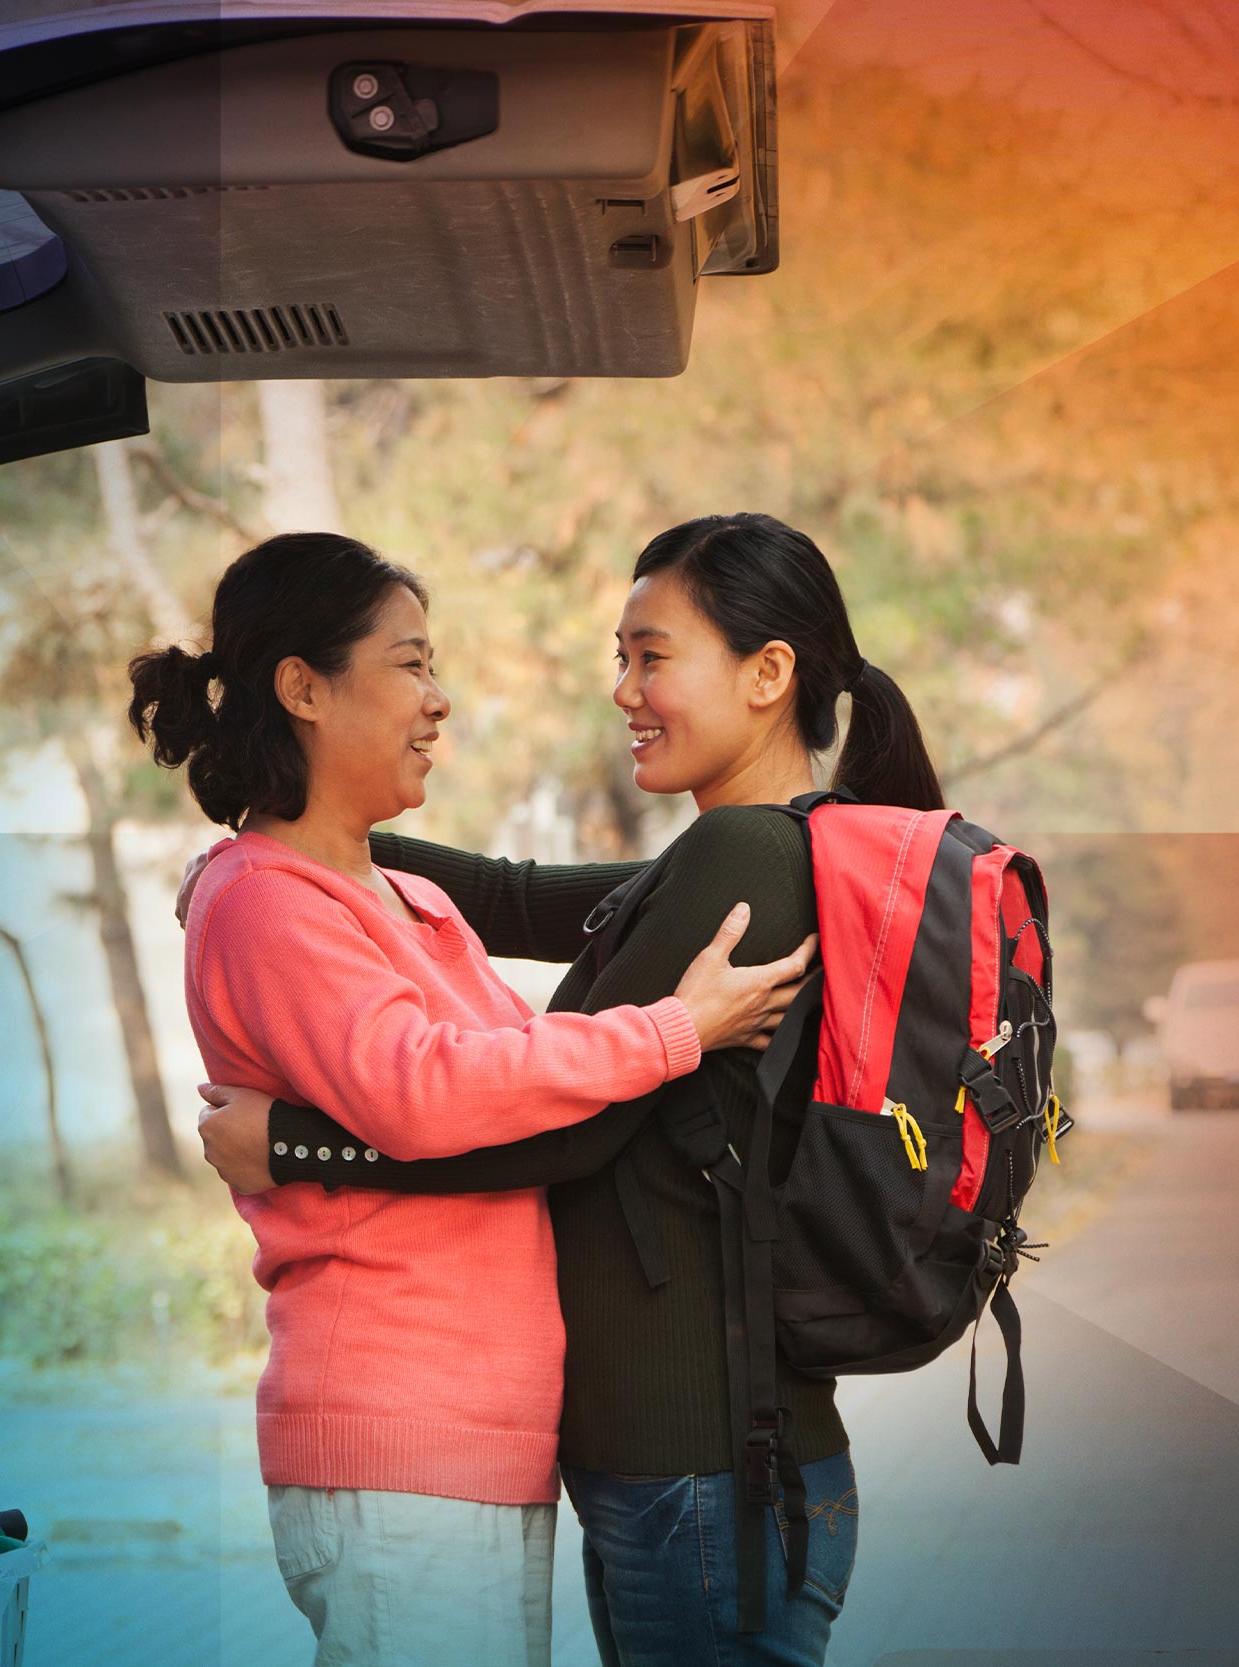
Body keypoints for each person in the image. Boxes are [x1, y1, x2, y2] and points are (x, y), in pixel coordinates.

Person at [193, 512, 947, 1667]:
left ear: (768, 673)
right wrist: (307, 839)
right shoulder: (765, 849)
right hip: (679, 1452)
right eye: (619, 656)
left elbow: (560, 1131)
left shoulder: (745, 859)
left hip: (695, 1451)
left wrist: (298, 1145)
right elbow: (525, 894)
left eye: (652, 655)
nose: (623, 688)